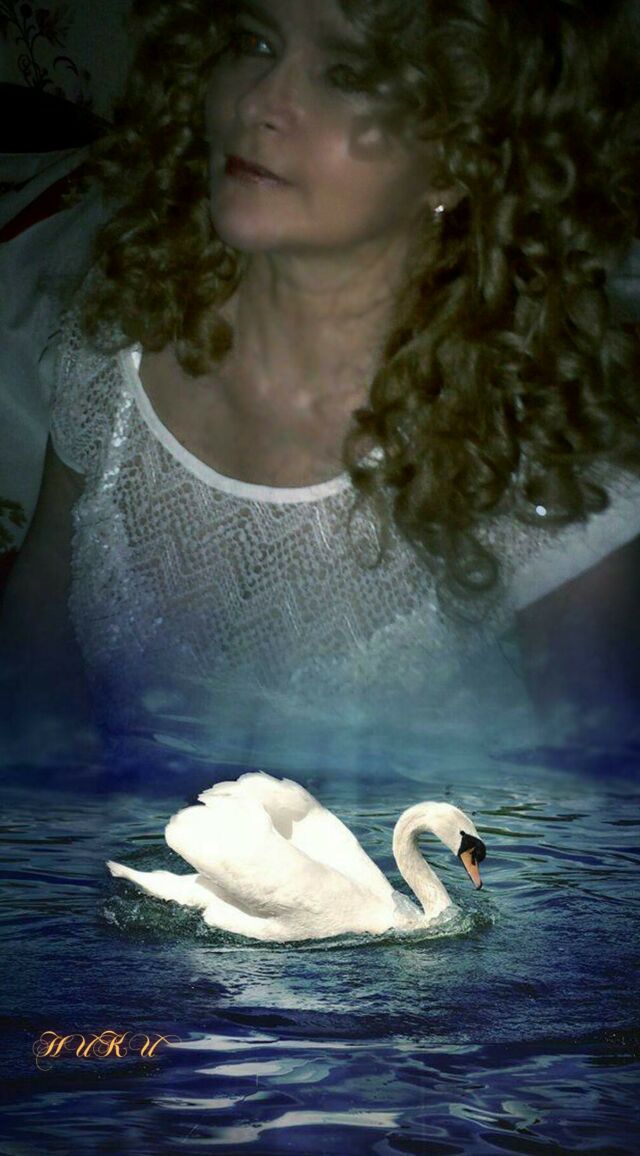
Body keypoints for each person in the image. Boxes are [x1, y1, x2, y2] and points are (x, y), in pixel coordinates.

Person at [1, 0, 639, 775]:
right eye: (253, 40)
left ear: (461, 154)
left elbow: (603, 790)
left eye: (347, 74)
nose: (259, 101)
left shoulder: (535, 450)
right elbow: (44, 596)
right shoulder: (128, 322)